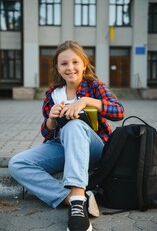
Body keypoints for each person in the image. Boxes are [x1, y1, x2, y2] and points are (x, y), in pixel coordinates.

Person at [9, 40, 125, 231]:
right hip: (61, 145)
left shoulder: (95, 86)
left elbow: (119, 112)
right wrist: (51, 120)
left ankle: (78, 201)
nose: (70, 68)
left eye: (75, 62)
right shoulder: (53, 94)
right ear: (57, 67)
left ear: (84, 64)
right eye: (64, 64)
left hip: (93, 148)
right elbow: (47, 132)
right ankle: (71, 199)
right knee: (17, 163)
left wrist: (87, 101)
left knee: (73, 125)